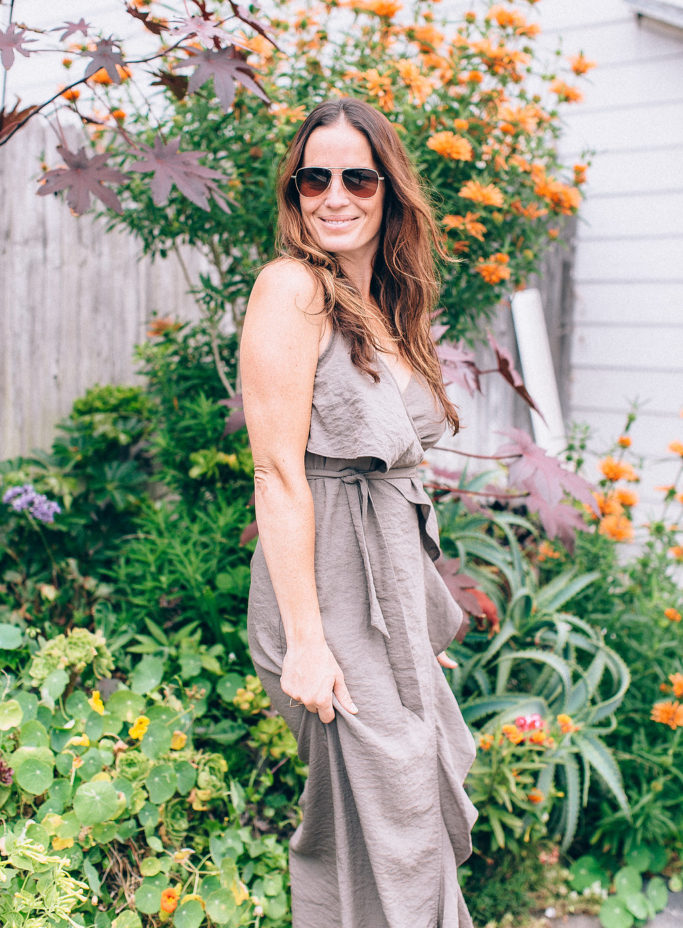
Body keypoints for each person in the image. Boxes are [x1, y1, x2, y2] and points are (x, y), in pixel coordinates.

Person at [240, 97, 477, 928]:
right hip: (326, 593)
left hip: (385, 603)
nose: (334, 196)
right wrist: (308, 643)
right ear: (294, 192)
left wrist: (413, 628)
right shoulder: (291, 288)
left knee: (405, 814)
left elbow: (397, 488)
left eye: (357, 179)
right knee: (384, 815)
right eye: (314, 179)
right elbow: (278, 473)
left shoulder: (381, 302)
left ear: (389, 190)